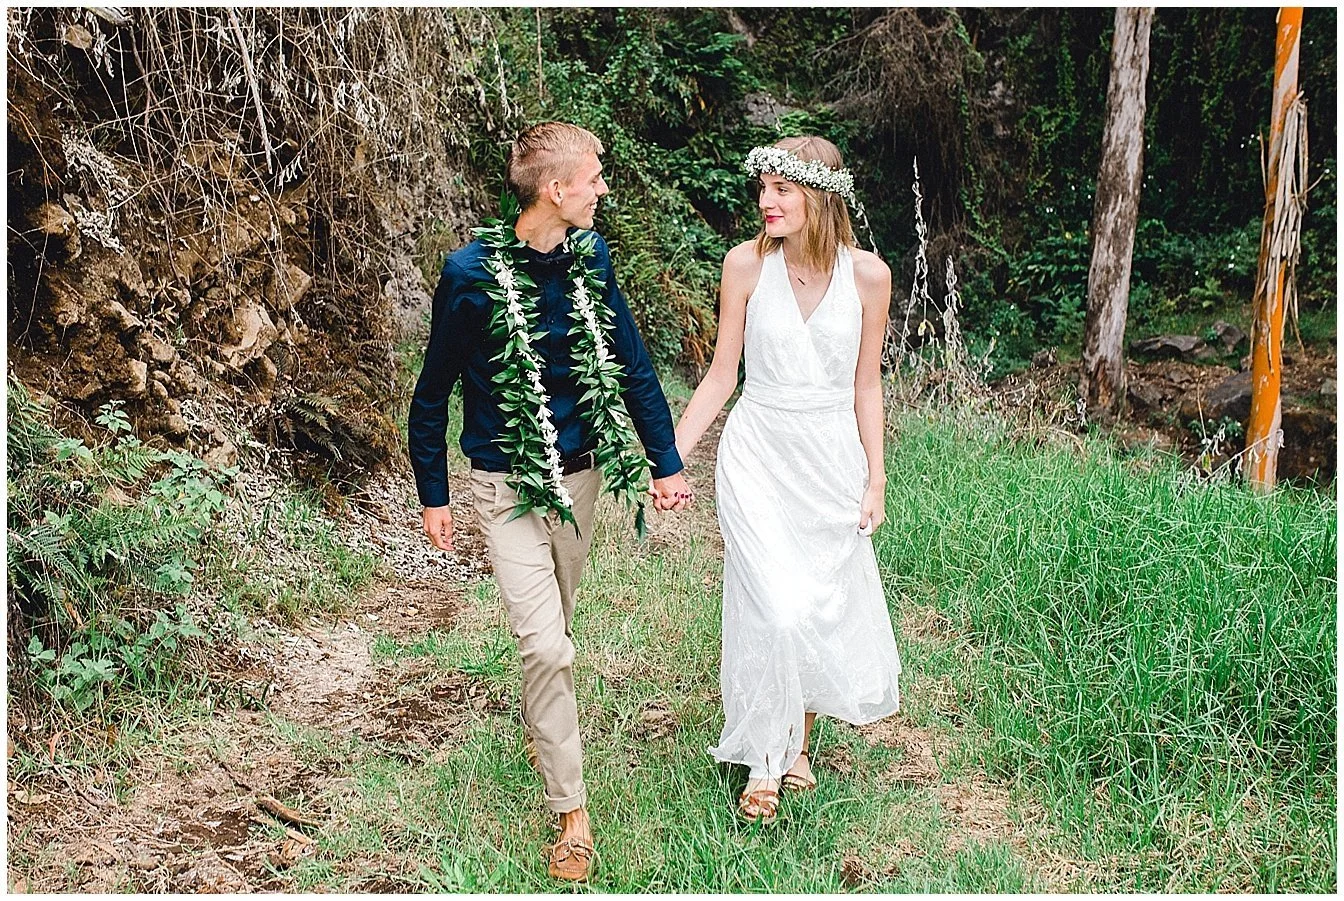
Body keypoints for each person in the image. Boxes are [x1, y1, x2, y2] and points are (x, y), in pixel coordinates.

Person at [408, 121, 692, 880]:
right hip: (504, 483)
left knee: (554, 632)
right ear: (555, 189)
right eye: (594, 177)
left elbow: (632, 364)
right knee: (544, 645)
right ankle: (572, 812)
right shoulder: (469, 274)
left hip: (581, 477)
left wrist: (664, 462)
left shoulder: (591, 258)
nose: (602, 188)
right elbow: (433, 390)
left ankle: (544, 721)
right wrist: (433, 491)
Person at [672, 136, 902, 823]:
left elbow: (866, 385)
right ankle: (764, 760)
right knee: (772, 603)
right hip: (758, 452)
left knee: (809, 604)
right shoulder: (745, 266)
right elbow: (723, 374)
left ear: (821, 196)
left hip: (829, 458)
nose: (765, 201)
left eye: (782, 189)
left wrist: (876, 478)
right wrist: (671, 454)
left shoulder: (870, 277)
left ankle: (796, 740)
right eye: (763, 188)